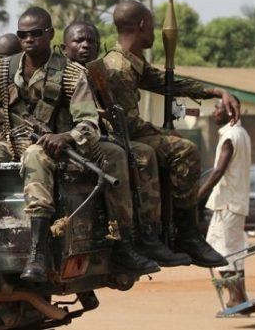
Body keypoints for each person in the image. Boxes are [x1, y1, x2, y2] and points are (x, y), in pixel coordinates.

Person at [0, 8, 158, 285]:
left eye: (36, 33)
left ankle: (37, 253)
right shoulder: (5, 70)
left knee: (36, 155)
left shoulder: (69, 73)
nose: (29, 39)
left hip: (54, 148)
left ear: (50, 34)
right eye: (23, 34)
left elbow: (89, 124)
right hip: (10, 142)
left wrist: (65, 137)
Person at [103, 0, 239, 267]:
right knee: (184, 150)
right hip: (120, 140)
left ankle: (182, 232)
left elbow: (164, 82)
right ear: (143, 25)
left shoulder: (131, 62)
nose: (154, 31)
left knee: (177, 145)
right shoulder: (118, 68)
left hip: (128, 136)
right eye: (151, 25)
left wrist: (214, 92)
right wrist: (166, 133)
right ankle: (183, 233)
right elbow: (126, 125)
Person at [62, 21, 191, 267]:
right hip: (69, 141)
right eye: (79, 41)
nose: (86, 45)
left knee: (143, 153)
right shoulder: (61, 72)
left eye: (91, 41)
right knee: (121, 155)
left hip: (93, 138)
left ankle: (150, 235)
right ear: (64, 47)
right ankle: (123, 241)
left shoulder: (98, 72)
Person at [202, 97, 251, 307]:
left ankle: (235, 297)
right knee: (234, 251)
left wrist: (197, 197)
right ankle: (240, 296)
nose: (214, 112)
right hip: (235, 202)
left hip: (227, 203)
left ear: (230, 111)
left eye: (218, 108)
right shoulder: (242, 134)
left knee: (220, 251)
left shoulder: (230, 137)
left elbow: (218, 172)